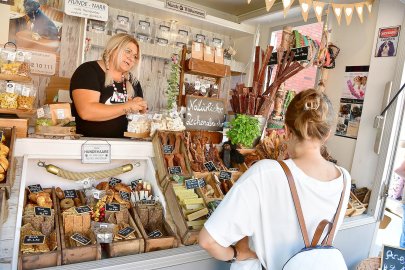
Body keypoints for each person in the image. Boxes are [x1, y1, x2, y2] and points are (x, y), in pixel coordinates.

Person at [199, 89, 351, 269]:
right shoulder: (344, 178)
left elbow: (208, 241)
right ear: (327, 134)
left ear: (286, 130)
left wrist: (237, 254)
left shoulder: (266, 173)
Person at [69, 33, 148, 138]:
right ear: (112, 49)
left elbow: (138, 120)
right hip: (90, 146)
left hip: (126, 148)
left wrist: (141, 109)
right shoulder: (88, 71)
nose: (131, 58)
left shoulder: (134, 82)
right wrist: (127, 106)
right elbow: (86, 111)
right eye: (128, 51)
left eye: (135, 56)